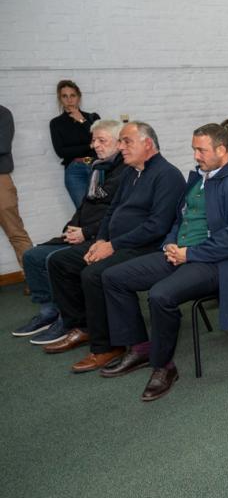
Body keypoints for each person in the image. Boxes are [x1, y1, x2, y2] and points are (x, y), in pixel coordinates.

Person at [100, 124, 228, 401]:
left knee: (160, 295)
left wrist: (189, 254)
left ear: (222, 151)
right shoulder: (199, 178)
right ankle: (142, 348)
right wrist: (170, 242)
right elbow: (180, 219)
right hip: (183, 254)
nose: (196, 156)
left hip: (220, 264)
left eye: (201, 150)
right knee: (113, 277)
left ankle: (163, 366)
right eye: (194, 149)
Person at [43, 122, 185, 373]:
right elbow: (112, 211)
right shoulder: (131, 171)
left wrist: (112, 245)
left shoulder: (167, 175)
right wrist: (100, 240)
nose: (121, 147)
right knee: (60, 261)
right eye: (120, 141)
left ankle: (109, 346)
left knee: (94, 274)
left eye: (126, 141)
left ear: (147, 144)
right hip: (115, 243)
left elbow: (157, 226)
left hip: (146, 247)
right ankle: (86, 327)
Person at [13, 119, 127, 343]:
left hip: (101, 236)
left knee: (55, 260)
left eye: (102, 140)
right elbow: (84, 205)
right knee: (32, 256)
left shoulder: (125, 172)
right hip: (83, 231)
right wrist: (70, 228)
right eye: (94, 140)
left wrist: (86, 232)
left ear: (118, 143)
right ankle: (49, 312)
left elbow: (119, 215)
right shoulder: (97, 168)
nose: (95, 145)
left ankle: (68, 319)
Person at [49, 80, 101, 208]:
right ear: (60, 99)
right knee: (83, 211)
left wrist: (82, 121)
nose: (69, 100)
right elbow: (61, 152)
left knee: (101, 209)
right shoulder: (56, 123)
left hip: (94, 165)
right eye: (64, 96)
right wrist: (88, 146)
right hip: (73, 170)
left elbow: (100, 140)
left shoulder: (92, 118)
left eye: (72, 95)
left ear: (79, 97)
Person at [0, 104, 33, 279]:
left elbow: (2, 146)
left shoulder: (3, 113)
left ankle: (35, 280)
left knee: (15, 232)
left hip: (0, 179)